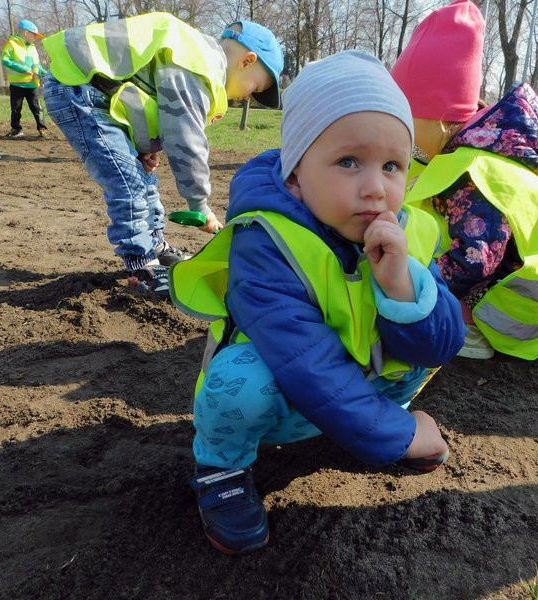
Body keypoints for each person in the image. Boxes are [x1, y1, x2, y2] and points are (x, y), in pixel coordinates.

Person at [169, 50, 465, 554]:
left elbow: (443, 345)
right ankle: (222, 468)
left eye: (393, 165)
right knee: (239, 382)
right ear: (295, 174)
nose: (375, 189)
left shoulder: (406, 231)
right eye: (349, 162)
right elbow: (306, 364)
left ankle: (366, 428)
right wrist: (398, 434)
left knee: (420, 329)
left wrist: (401, 286)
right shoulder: (265, 243)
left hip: (357, 393)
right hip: (286, 401)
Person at [42, 13, 283, 296]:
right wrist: (199, 203)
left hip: (96, 93)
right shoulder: (199, 64)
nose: (247, 98)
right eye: (255, 88)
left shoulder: (194, 58)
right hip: (76, 87)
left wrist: (145, 146)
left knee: (142, 175)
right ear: (247, 61)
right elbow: (185, 137)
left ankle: (154, 246)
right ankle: (141, 264)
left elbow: (138, 91)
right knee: (127, 182)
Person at [390, 0, 538, 361]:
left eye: (409, 119)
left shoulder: (473, 173)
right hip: (516, 299)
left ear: (439, 117)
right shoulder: (479, 149)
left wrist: (412, 286)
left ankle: (468, 331)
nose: (403, 132)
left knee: (415, 316)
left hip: (510, 317)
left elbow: (474, 259)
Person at [2, 20, 48, 138]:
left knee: (37, 108)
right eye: (35, 35)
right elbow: (5, 60)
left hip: (32, 84)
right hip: (17, 84)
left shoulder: (33, 48)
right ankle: (16, 129)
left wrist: (46, 73)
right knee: (16, 109)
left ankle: (42, 128)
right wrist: (22, 69)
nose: (36, 38)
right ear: (26, 33)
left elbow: (37, 65)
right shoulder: (12, 44)